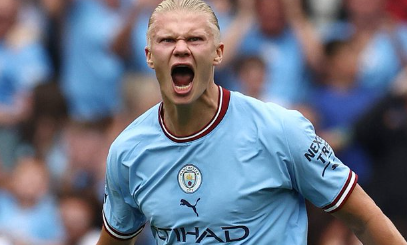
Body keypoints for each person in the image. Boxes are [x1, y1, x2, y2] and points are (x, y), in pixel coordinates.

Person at [97, 0, 407, 244]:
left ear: (219, 52)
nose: (181, 48)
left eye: (195, 39)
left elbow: (366, 220)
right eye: (167, 40)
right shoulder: (128, 152)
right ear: (149, 56)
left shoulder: (281, 130)